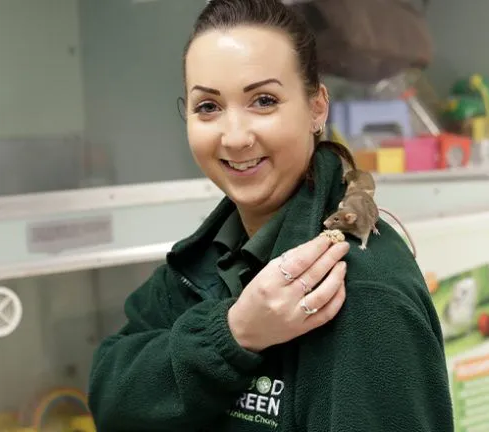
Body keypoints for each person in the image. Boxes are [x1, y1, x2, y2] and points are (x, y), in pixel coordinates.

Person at [87, 0, 453, 430]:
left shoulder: (363, 292)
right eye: (208, 107)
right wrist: (234, 334)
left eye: (263, 101)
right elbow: (111, 395)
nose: (236, 137)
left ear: (316, 107)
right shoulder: (210, 254)